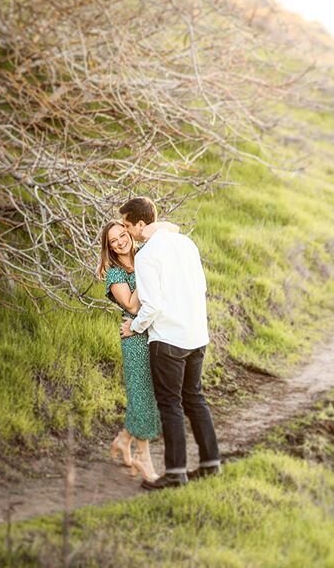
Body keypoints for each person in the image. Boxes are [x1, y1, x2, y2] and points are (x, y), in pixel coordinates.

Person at [119, 196, 220, 490]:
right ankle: (210, 462)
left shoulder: (147, 255)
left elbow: (151, 306)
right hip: (197, 334)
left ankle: (176, 473)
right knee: (195, 398)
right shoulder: (187, 244)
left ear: (141, 224)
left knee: (171, 405)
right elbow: (201, 287)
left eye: (127, 225)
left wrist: (133, 328)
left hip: (169, 341)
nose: (126, 232)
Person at [96, 218, 178, 482]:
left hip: (158, 332)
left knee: (151, 392)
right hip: (135, 337)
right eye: (113, 241)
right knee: (142, 394)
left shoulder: (144, 255)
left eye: (123, 234)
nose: (120, 241)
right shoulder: (115, 274)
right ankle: (145, 458)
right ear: (108, 247)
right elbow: (132, 306)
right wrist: (147, 272)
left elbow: (171, 230)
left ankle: (123, 440)